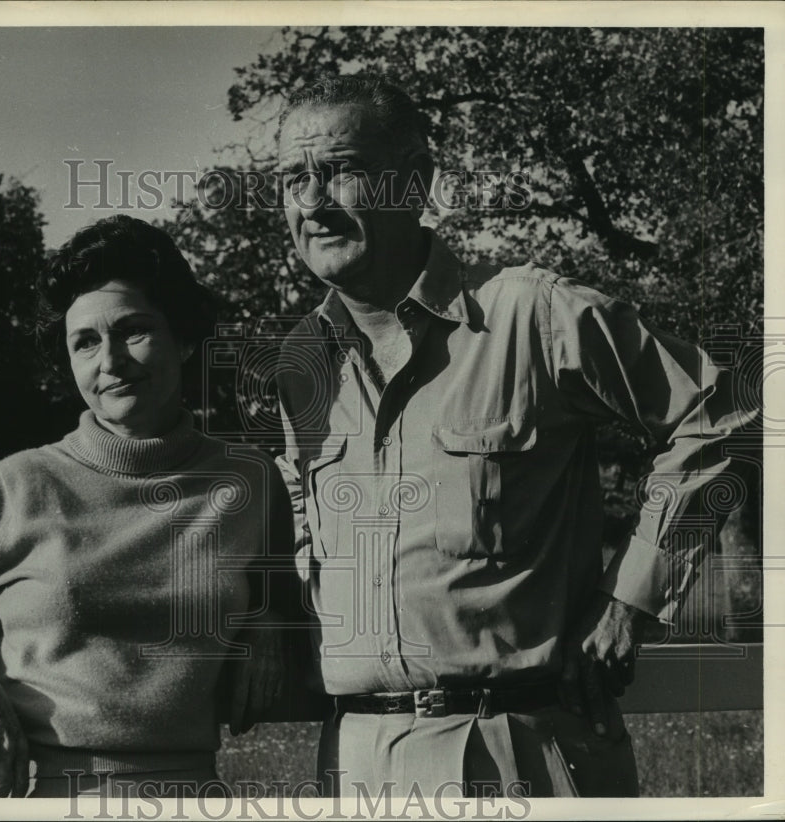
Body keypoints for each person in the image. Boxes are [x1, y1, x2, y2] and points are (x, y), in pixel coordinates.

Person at [272, 74, 754, 798]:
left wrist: (632, 600)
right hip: (354, 763)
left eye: (341, 171)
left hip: (518, 751)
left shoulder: (531, 313)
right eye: (291, 179)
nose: (312, 203)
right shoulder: (300, 362)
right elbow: (309, 537)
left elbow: (727, 414)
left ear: (415, 181)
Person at [0, 215, 292, 798]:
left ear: (185, 335)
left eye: (135, 331)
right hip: (50, 797)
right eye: (85, 342)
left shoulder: (249, 479)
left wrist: (271, 615)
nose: (110, 361)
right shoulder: (19, 485)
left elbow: (290, 589)